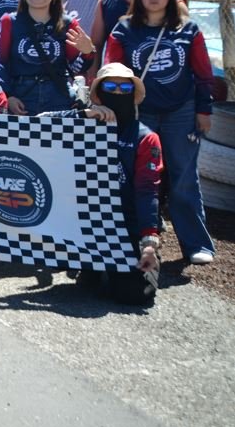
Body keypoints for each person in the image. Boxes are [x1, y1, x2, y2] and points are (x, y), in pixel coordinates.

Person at [105, 0, 217, 265]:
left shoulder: (188, 29)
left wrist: (204, 110)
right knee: (137, 177)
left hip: (182, 112)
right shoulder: (123, 30)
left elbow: (204, 74)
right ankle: (133, 239)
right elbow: (110, 73)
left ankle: (195, 244)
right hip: (139, 113)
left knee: (183, 178)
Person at [44, 63, 164, 305]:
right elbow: (34, 126)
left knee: (135, 295)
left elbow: (147, 191)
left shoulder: (146, 138)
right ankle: (89, 265)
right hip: (80, 221)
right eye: (111, 86)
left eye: (125, 87)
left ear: (133, 93)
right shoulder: (81, 125)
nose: (118, 92)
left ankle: (106, 268)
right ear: (98, 93)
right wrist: (81, 115)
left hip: (124, 225)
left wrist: (149, 241)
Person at [0, 0, 94, 115]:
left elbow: (76, 68)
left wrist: (88, 53)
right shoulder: (9, 21)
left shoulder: (68, 24)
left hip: (58, 96)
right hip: (21, 96)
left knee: (59, 138)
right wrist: (8, 96)